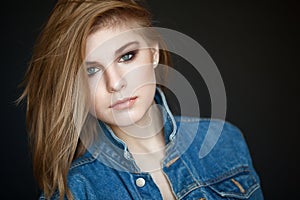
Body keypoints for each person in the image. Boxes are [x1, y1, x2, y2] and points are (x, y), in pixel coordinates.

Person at [19, 0, 263, 199]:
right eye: (90, 70)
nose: (115, 83)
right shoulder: (77, 191)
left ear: (153, 54)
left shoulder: (223, 140)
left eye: (127, 56)